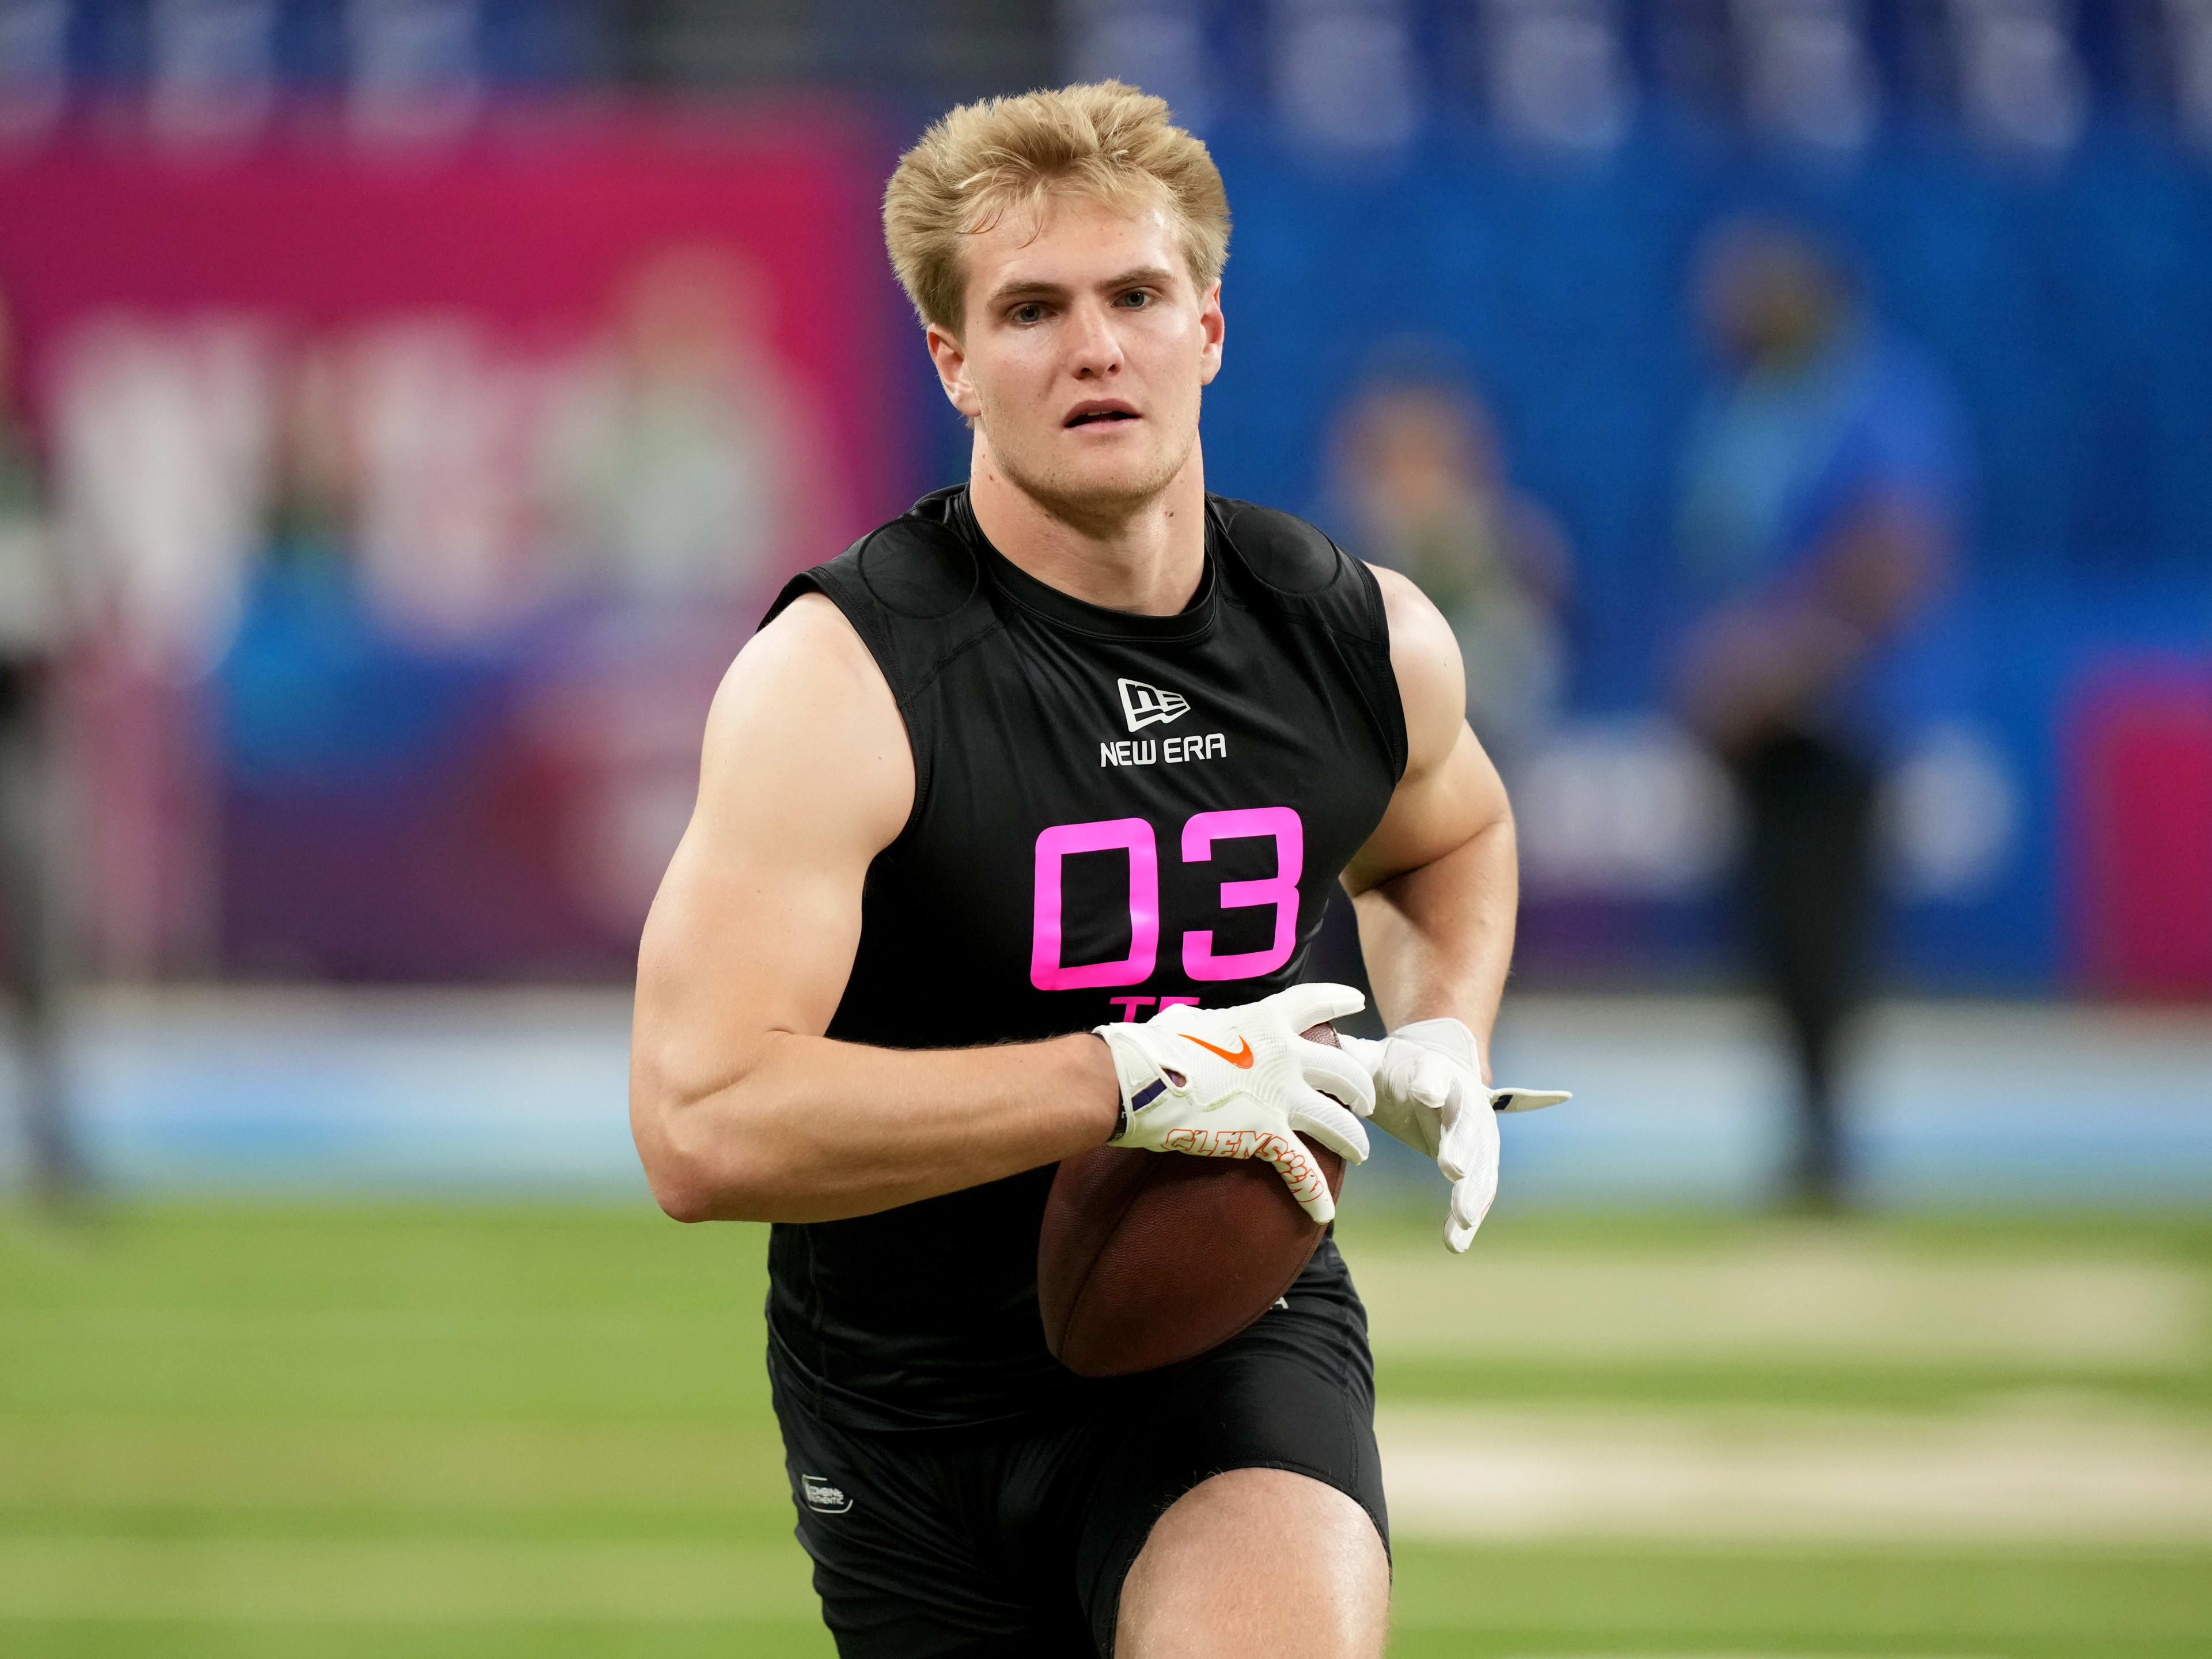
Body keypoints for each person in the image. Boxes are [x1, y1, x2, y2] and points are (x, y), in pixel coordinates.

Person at [630, 82, 1564, 1658]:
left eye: (1136, 295)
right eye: (1031, 308)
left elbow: (1453, 828)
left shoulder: (1353, 634)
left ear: (1208, 327)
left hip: (1222, 1324)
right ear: (954, 363)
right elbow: (700, 1125)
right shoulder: (844, 678)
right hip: (906, 1392)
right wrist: (1133, 1074)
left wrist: (1452, 1030)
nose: (1094, 346)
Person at [1674, 218, 1964, 1209]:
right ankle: (1805, 1134)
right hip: (1758, 731)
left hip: (1841, 715)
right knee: (1771, 934)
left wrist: (1780, 660)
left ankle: (1832, 1139)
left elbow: (1895, 552)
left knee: (1827, 928)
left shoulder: (1871, 393)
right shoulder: (1751, 405)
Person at [1328, 358, 1571, 775]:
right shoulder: (1329, 558)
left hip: (1499, 760)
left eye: (1430, 460)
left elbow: (1522, 680)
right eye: (1401, 460)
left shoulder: (1516, 549)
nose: (1418, 484)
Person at [0, 289, 80, 1202]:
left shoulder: (30, 467)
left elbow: (71, 584)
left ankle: (51, 1136)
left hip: (21, 732)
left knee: (44, 952)